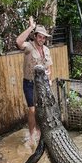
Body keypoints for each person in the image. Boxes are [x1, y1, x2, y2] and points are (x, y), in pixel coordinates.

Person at [16, 16, 53, 146]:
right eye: (39, 36)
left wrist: (49, 80)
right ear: (35, 36)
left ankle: (39, 131)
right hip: (29, 83)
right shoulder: (29, 47)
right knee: (32, 110)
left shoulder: (47, 50)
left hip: (42, 84)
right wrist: (31, 27)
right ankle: (32, 135)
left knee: (40, 109)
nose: (41, 39)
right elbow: (19, 42)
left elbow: (49, 67)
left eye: (44, 37)